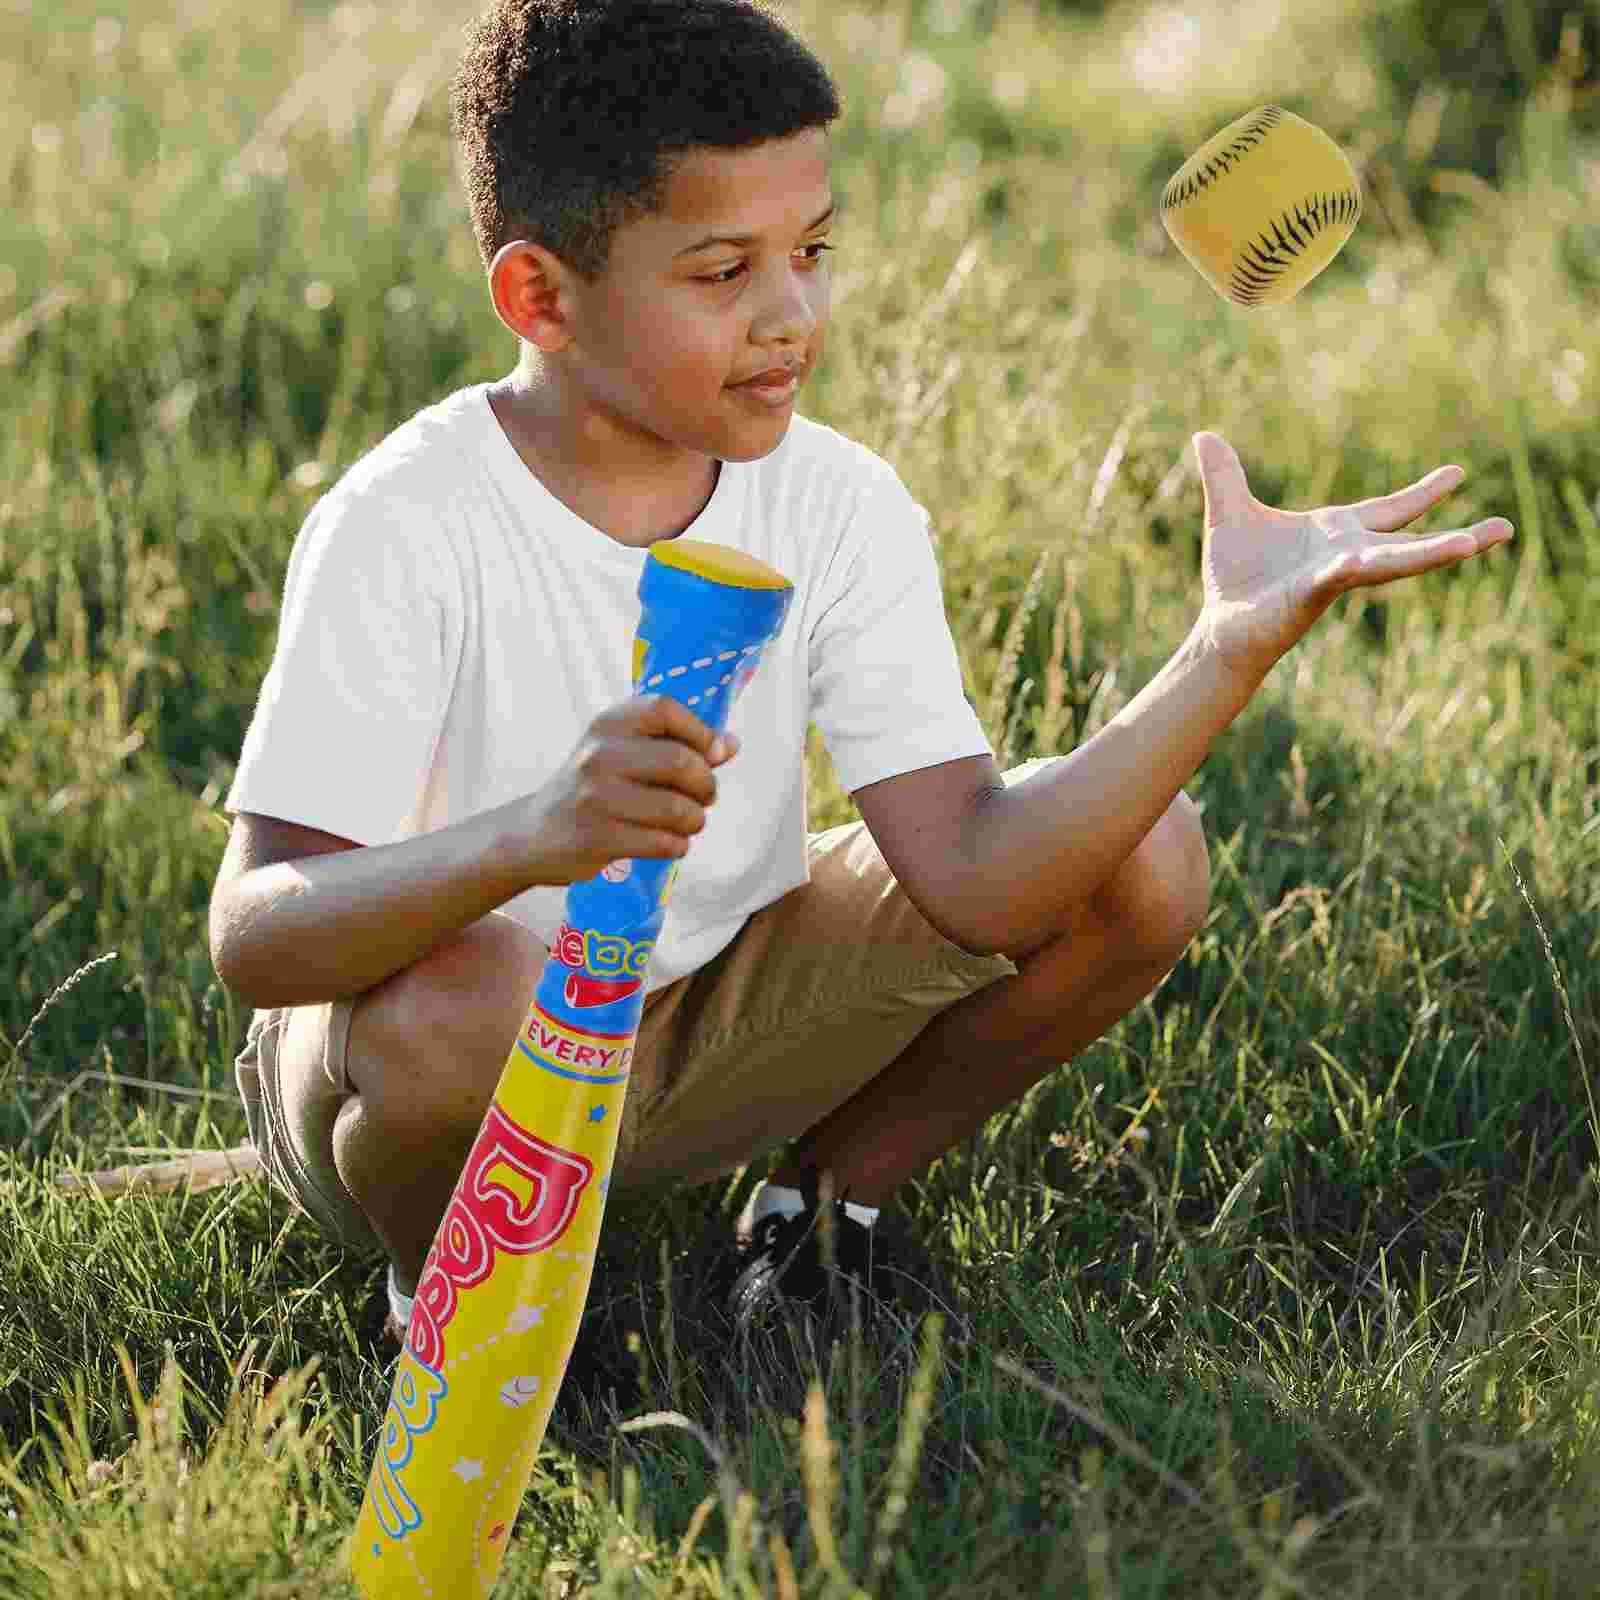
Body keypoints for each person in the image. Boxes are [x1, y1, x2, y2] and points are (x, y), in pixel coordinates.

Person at [207, 0, 1514, 1349]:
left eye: (813, 252)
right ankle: (460, 1305)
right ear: (542, 296)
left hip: (707, 1022)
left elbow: (971, 874)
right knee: (469, 1001)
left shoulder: (836, 502)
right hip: (428, 1070)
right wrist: (528, 839)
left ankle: (820, 1221)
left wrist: (1221, 649)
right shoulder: (408, 517)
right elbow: (258, 933)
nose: (793, 314)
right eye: (723, 273)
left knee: (1145, 856)